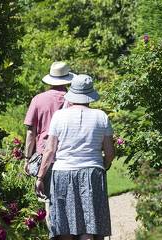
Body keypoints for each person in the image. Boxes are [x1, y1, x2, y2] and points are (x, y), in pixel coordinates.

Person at [35, 74, 115, 240]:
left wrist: (40, 177)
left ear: (72, 93)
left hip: (63, 173)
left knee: (65, 226)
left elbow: (49, 151)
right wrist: (104, 165)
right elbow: (109, 153)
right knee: (90, 226)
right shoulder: (102, 117)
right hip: (92, 173)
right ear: (90, 95)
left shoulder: (59, 116)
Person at [24, 61, 75, 222]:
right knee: (69, 202)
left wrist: (27, 158)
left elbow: (31, 132)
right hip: (68, 156)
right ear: (67, 80)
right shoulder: (74, 101)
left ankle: (53, 233)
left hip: (45, 155)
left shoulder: (38, 99)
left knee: (49, 202)